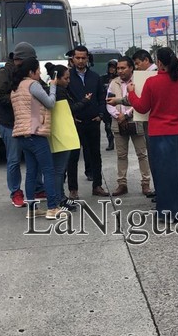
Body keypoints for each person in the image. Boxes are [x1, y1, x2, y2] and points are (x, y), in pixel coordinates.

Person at [127, 48, 178, 220]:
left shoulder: (152, 83)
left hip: (158, 133)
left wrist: (131, 93)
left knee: (163, 172)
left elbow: (142, 108)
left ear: (159, 63)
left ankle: (165, 211)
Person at [10, 57, 66, 219]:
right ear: (31, 72)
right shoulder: (32, 85)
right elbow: (50, 103)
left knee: (31, 172)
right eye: (37, 70)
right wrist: (52, 87)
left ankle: (32, 209)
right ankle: (52, 207)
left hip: (22, 134)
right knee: (48, 170)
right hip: (35, 132)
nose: (40, 73)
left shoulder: (16, 87)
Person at [0, 41, 39, 208]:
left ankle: (38, 188)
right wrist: (18, 100)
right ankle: (16, 192)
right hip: (9, 122)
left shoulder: (24, 73)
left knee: (34, 156)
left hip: (26, 121)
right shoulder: (3, 74)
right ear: (20, 60)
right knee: (14, 160)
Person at [45, 62, 89, 211]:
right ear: (57, 78)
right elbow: (69, 110)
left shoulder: (53, 90)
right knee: (59, 170)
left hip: (56, 133)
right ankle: (59, 199)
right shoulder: (59, 92)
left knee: (58, 169)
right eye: (66, 78)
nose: (68, 81)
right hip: (62, 134)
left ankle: (60, 196)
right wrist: (85, 101)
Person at [66, 45, 108, 197]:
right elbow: (64, 100)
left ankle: (97, 186)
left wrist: (101, 114)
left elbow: (102, 97)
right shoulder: (68, 77)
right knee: (73, 157)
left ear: (88, 58)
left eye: (84, 58)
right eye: (78, 58)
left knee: (95, 155)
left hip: (93, 121)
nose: (81, 61)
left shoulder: (95, 77)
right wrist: (70, 116)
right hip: (75, 123)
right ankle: (73, 189)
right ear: (73, 59)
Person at [107, 56, 152, 197]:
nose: (120, 71)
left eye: (123, 68)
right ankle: (122, 184)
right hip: (118, 122)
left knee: (142, 154)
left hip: (136, 121)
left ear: (131, 68)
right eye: (118, 68)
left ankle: (146, 184)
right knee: (121, 155)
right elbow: (108, 101)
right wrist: (117, 116)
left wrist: (125, 115)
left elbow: (140, 101)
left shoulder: (139, 82)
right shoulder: (113, 83)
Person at [102, 59, 118, 151]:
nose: (112, 69)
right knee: (107, 126)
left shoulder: (119, 79)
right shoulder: (103, 79)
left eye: (113, 67)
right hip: (106, 104)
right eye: (110, 67)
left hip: (117, 104)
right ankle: (110, 142)